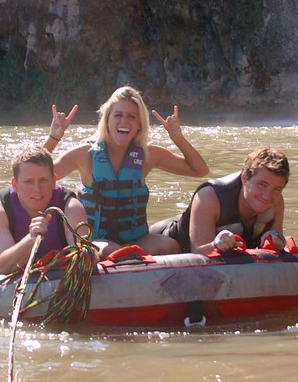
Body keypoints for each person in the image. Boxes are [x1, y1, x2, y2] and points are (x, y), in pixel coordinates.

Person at [43, 86, 209, 258]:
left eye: (132, 117)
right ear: (107, 120)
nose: (124, 122)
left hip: (136, 238)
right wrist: (54, 138)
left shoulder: (147, 155)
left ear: (139, 125)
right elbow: (36, 174)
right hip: (96, 242)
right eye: (118, 115)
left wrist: (178, 138)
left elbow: (200, 170)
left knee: (170, 246)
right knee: (116, 252)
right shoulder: (84, 154)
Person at [150, 147, 289, 254]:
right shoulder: (209, 197)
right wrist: (215, 245)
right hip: (166, 240)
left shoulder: (276, 201)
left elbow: (275, 245)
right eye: (262, 185)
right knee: (171, 246)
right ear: (245, 178)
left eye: (276, 189)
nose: (267, 196)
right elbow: (198, 252)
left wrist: (276, 241)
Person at [0, 145, 89, 274]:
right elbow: (4, 267)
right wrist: (31, 239)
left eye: (43, 180)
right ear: (15, 185)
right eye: (28, 181)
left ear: (54, 181)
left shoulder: (71, 208)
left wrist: (88, 253)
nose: (37, 189)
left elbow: (85, 262)